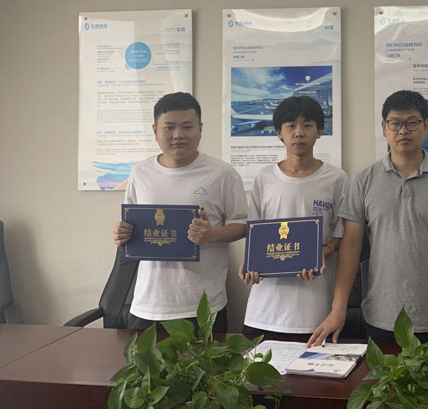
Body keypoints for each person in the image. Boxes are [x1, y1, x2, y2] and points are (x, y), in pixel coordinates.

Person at [307, 90, 428, 345]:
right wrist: (338, 309)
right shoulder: (364, 180)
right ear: (384, 128)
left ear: (426, 126)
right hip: (381, 317)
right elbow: (350, 248)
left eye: (412, 123)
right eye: (395, 123)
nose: (403, 130)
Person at [112, 92, 247, 332]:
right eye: (169, 127)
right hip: (148, 304)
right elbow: (131, 223)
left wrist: (212, 235)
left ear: (200, 128)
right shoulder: (140, 172)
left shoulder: (223, 174)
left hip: (203, 306)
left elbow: (243, 225)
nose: (178, 135)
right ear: (155, 130)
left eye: (187, 126)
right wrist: (121, 234)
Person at [239, 96, 348, 340]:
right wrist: (249, 263)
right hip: (264, 309)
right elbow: (254, 233)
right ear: (279, 132)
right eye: (290, 126)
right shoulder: (264, 177)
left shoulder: (336, 178)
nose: (299, 132)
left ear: (319, 131)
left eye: (307, 125)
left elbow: (341, 233)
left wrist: (324, 251)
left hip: (314, 309)